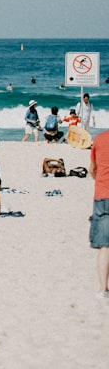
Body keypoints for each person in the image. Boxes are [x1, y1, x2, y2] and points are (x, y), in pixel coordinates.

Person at [90, 123, 109, 298]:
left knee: (104, 246)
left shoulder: (100, 140)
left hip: (102, 195)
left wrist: (101, 181)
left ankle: (103, 289)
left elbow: (93, 170)